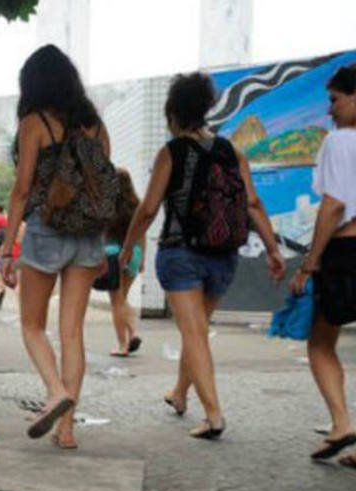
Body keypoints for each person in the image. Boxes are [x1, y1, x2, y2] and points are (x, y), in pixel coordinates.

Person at [120, 72, 286, 440]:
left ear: (173, 112)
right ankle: (180, 393)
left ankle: (214, 415)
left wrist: (131, 243)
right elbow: (253, 203)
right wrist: (273, 249)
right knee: (195, 330)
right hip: (223, 254)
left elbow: (148, 209)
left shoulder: (172, 151)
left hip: (181, 252)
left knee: (193, 332)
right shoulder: (232, 151)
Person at [0, 44, 112, 450]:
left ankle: (55, 391)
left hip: (46, 233)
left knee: (32, 325)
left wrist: (6, 248)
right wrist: (100, 247)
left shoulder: (35, 123)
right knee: (72, 334)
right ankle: (67, 431)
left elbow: (22, 189)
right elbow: (102, 191)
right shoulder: (96, 126)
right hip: (86, 237)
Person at [287, 64, 356, 463]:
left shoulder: (339, 141)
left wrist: (309, 264)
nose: (329, 111)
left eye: (334, 100)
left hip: (346, 253)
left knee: (320, 344)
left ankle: (342, 422)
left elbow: (334, 206)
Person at [106, 169, 146, 357]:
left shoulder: (106, 204)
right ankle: (131, 335)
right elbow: (142, 234)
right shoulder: (136, 204)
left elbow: (100, 234)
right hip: (134, 253)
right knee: (123, 299)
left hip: (112, 253)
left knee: (116, 301)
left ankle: (124, 344)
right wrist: (142, 258)